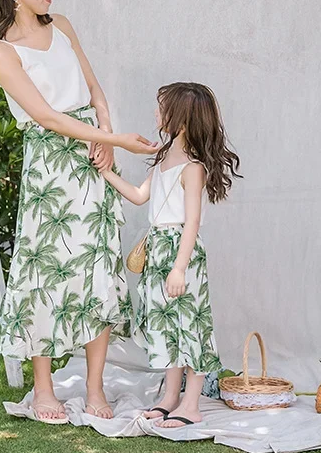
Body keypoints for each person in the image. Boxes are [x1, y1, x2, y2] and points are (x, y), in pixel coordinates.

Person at [0, 0, 157, 424]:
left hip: (94, 159)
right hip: (51, 167)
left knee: (98, 270)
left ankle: (95, 387)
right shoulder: (2, 53)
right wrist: (115, 138)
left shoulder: (62, 27)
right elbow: (45, 116)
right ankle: (44, 389)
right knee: (46, 273)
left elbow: (94, 88)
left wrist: (105, 135)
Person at [100, 82, 241, 428]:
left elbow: (192, 221)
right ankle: (169, 397)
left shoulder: (192, 167)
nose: (155, 113)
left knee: (191, 325)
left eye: (161, 108)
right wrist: (106, 172)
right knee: (166, 324)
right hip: (157, 248)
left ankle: (191, 405)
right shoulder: (164, 158)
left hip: (180, 252)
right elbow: (138, 196)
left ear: (179, 120)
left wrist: (180, 267)